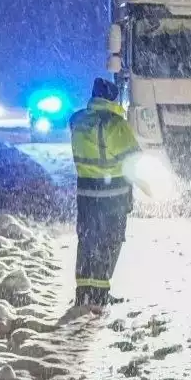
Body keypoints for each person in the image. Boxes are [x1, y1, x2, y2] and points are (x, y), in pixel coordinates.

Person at [69, 78, 140, 307]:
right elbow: (132, 159)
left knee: (88, 241)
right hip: (113, 194)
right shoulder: (114, 124)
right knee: (109, 242)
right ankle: (100, 294)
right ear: (112, 98)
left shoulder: (78, 120)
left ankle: (83, 293)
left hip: (86, 192)